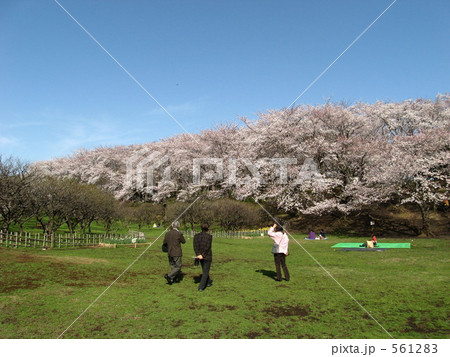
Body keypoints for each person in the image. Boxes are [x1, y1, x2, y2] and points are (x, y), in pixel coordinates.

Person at [193, 223, 213, 292]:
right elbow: (208, 247)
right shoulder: (209, 236)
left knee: (205, 270)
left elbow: (195, 246)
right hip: (207, 256)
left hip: (200, 256)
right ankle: (201, 287)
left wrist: (198, 254)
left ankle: (209, 282)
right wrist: (202, 255)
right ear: (207, 228)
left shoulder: (196, 236)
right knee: (205, 272)